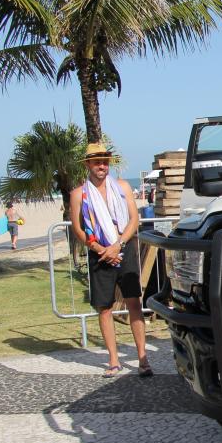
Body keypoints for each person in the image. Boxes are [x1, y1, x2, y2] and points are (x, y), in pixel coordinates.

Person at [70, 143, 151, 378]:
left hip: (124, 248)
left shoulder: (122, 186)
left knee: (134, 303)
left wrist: (118, 245)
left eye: (104, 162)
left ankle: (143, 358)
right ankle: (114, 361)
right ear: (88, 164)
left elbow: (134, 219)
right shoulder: (78, 194)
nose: (102, 166)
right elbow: (78, 229)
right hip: (100, 254)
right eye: (97, 162)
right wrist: (99, 248)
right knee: (104, 308)